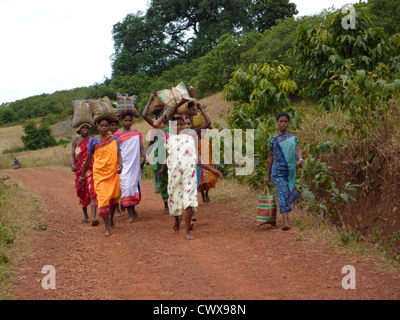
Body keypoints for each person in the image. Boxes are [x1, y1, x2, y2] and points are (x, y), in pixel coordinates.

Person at [159, 113, 222, 240]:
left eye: (182, 124)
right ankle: (177, 221)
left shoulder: (191, 139)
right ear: (172, 127)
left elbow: (197, 158)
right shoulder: (169, 138)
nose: (180, 127)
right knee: (175, 201)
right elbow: (156, 125)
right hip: (174, 176)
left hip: (189, 175)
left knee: (189, 201)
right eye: (177, 125)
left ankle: (187, 231)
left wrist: (211, 170)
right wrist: (165, 114)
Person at [79, 118, 122, 236]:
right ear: (97, 127)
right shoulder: (93, 141)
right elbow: (88, 159)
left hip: (113, 173)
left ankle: (112, 220)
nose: (104, 128)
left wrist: (120, 165)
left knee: (113, 200)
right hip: (99, 174)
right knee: (103, 199)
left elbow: (119, 154)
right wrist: (82, 176)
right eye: (101, 125)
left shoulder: (114, 139)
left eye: (106, 125)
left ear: (109, 127)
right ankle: (107, 228)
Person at [263, 112, 303, 231]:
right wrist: (267, 175)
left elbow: (297, 150)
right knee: (282, 193)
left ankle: (280, 216)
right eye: (281, 121)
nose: (284, 123)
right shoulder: (272, 139)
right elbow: (270, 157)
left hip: (290, 172)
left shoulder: (293, 137)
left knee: (288, 192)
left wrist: (300, 159)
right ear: (277, 123)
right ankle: (286, 221)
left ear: (288, 123)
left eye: (286, 121)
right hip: (277, 172)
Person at [114, 114, 147, 223]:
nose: (128, 122)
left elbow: (141, 148)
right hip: (123, 166)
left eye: (130, 120)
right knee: (126, 187)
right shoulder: (116, 135)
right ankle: (130, 214)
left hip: (134, 166)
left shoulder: (137, 134)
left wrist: (146, 157)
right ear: (121, 121)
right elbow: (116, 152)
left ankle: (132, 211)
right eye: (126, 120)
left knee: (133, 187)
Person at [142, 92, 170, 214]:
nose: (162, 116)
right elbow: (151, 144)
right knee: (163, 180)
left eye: (164, 114)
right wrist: (146, 158)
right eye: (159, 114)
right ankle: (166, 203)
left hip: (174, 157)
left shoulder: (176, 126)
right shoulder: (156, 128)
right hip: (160, 157)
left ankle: (175, 202)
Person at [70, 123, 98, 226]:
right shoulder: (75, 141)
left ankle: (94, 217)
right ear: (79, 130)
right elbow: (72, 155)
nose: (85, 129)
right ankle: (85, 215)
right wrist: (73, 164)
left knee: (92, 192)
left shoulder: (93, 140)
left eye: (87, 127)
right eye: (83, 128)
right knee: (82, 193)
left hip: (91, 170)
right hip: (80, 171)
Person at [109, 119, 124, 217]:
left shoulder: (118, 137)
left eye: (116, 125)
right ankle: (116, 208)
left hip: (117, 164)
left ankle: (120, 205)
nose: (114, 127)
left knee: (119, 187)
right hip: (108, 166)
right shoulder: (106, 138)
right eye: (112, 125)